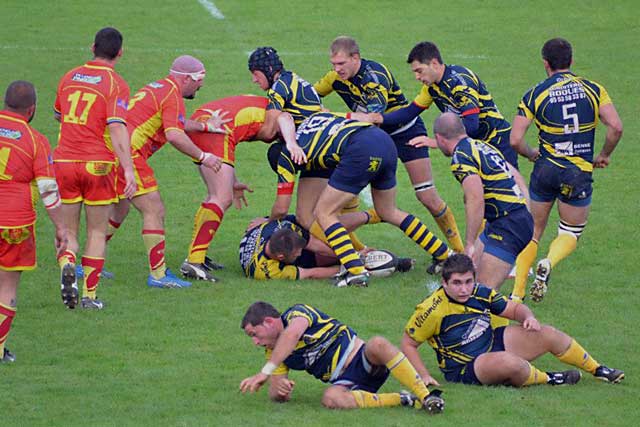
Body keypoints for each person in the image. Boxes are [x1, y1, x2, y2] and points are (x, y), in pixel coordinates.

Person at [314, 36, 464, 260]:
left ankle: (458, 252)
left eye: (341, 64)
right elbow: (308, 97)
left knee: (427, 196)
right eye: (333, 64)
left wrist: (331, 115)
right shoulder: (334, 78)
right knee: (342, 199)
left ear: (356, 58)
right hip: (374, 142)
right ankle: (358, 250)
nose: (337, 69)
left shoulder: (375, 77)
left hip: (406, 133)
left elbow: (374, 118)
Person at [271, 112, 450, 287]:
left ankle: (356, 272)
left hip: (359, 149)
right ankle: (444, 255)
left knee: (324, 212)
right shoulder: (313, 122)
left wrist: (268, 224)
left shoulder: (286, 155)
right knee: (388, 211)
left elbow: (281, 208)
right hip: (383, 141)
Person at [510, 38, 623, 302]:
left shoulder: (535, 93)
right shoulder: (594, 89)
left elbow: (515, 139)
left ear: (545, 64)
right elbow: (616, 127)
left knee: (533, 231)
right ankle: (549, 262)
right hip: (578, 171)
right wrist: (604, 155)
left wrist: (530, 153)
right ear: (571, 61)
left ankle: (517, 294)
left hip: (545, 169)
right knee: (570, 232)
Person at [401, 254, 625, 387]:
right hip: (465, 367)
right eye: (457, 283)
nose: (464, 289)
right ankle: (549, 379)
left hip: (492, 341)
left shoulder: (480, 292)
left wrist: (528, 317)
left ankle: (598, 369)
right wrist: (425, 375)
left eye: (468, 281)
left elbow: (514, 309)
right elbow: (408, 343)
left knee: (547, 333)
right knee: (511, 363)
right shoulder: (431, 309)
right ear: (444, 282)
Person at [107, 55, 224, 288]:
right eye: (199, 79)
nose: (201, 84)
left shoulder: (161, 87)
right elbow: (174, 134)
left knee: (119, 209)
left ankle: (86, 263)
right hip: (129, 156)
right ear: (186, 78)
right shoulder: (172, 94)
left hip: (112, 151)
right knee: (154, 209)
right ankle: (159, 275)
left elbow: (175, 122)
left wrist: (206, 126)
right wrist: (204, 156)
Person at [53, 27, 137, 309]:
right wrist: (128, 169)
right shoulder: (116, 84)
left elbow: (58, 114)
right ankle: (89, 296)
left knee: (69, 231)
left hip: (64, 161)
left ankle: (67, 262)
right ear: (120, 52)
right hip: (97, 164)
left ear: (92, 47)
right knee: (97, 232)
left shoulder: (69, 77)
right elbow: (116, 127)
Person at [179, 95, 304, 282]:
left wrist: (233, 180)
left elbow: (234, 134)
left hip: (209, 120)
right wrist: (292, 144)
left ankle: (198, 256)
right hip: (216, 128)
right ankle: (194, 262)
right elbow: (283, 118)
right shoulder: (287, 116)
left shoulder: (266, 103)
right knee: (221, 198)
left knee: (216, 196)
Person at [239, 301, 445, 413]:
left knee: (377, 343)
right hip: (346, 382)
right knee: (330, 398)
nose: (255, 342)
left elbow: (292, 334)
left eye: (253, 334)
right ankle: (403, 400)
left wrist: (264, 372)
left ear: (268, 322)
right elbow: (276, 395)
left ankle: (426, 395)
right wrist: (280, 391)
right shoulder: (274, 353)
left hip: (366, 361)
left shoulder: (297, 313)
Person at [361, 40, 518, 169]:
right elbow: (410, 112)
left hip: (497, 141)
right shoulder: (432, 88)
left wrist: (437, 142)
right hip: (473, 144)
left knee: (507, 196)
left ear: (434, 63)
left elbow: (472, 125)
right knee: (479, 197)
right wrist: (378, 118)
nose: (416, 77)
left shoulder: (460, 83)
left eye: (419, 71)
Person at [0, 81, 68, 362]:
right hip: (14, 221)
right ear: (31, 110)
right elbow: (48, 190)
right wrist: (61, 227)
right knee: (7, 286)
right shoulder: (35, 140)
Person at [433, 113, 531, 292]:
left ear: (439, 138)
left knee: (483, 293)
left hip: (508, 227)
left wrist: (469, 242)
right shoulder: (482, 146)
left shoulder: (460, 158)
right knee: (469, 278)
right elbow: (515, 175)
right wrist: (525, 209)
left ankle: (519, 318)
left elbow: (475, 198)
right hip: (506, 220)